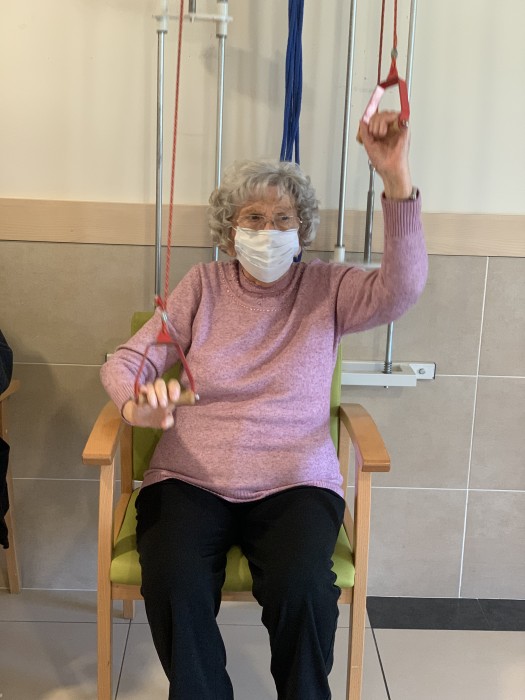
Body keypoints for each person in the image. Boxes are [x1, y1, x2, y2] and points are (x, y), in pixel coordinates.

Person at [101, 110, 428, 700]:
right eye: (254, 218)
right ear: (230, 232)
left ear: (303, 231)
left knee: (303, 587)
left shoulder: (329, 288)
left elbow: (401, 290)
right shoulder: (202, 285)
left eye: (283, 219)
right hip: (190, 476)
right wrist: (134, 406)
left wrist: (396, 178)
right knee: (173, 579)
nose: (269, 231)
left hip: (295, 480)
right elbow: (127, 362)